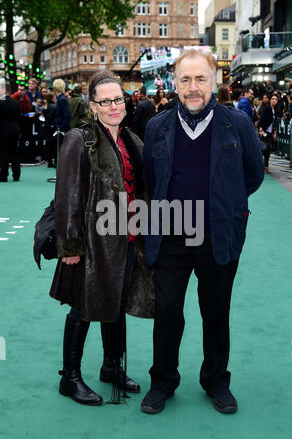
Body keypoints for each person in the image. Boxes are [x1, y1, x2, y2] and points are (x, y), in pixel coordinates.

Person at [140, 49, 264, 415]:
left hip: (218, 237)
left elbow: (252, 175)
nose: (193, 88)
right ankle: (162, 380)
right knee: (167, 313)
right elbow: (152, 178)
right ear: (174, 83)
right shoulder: (157, 126)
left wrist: (226, 206)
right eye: (185, 80)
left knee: (216, 311)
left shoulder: (237, 124)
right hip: (170, 237)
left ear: (215, 82)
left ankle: (216, 381)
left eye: (200, 79)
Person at [49, 69, 153, 406]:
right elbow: (65, 196)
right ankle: (70, 378)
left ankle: (111, 367)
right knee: (82, 308)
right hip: (91, 244)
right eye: (105, 101)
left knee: (116, 304)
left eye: (117, 99)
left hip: (126, 242)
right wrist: (69, 246)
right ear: (93, 106)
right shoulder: (80, 139)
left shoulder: (131, 139)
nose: (113, 106)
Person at [0, 78, 22, 182]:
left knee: (3, 154)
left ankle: (4, 176)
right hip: (14, 130)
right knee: (15, 154)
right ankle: (16, 175)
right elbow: (19, 118)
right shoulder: (16, 103)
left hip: (3, 132)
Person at [258, 93, 279, 173]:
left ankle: (266, 166)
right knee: (263, 148)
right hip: (264, 131)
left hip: (270, 132)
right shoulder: (266, 108)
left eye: (276, 99)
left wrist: (274, 132)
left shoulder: (276, 110)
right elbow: (261, 119)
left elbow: (275, 122)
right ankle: (260, 165)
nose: (274, 100)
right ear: (270, 100)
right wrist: (261, 130)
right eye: (273, 99)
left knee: (268, 149)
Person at [52, 78, 71, 150]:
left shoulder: (62, 99)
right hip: (61, 129)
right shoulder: (60, 98)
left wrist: (62, 128)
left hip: (61, 130)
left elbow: (67, 114)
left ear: (55, 88)